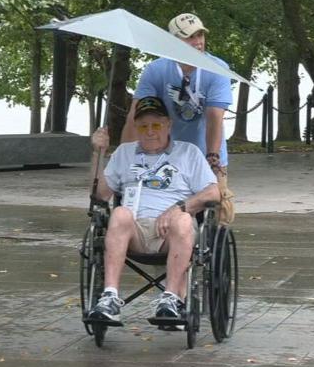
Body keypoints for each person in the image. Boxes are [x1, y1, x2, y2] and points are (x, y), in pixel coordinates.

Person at [88, 96, 220, 325]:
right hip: (134, 231)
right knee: (118, 213)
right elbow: (100, 196)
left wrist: (178, 209)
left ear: (169, 124)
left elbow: (213, 194)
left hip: (172, 232)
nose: (150, 131)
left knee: (183, 220)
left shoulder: (188, 153)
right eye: (143, 126)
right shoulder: (124, 153)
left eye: (156, 125)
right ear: (136, 128)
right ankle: (109, 297)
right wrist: (98, 153)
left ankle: (170, 298)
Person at [121, 13, 235, 224]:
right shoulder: (156, 70)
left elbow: (214, 117)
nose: (198, 42)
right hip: (165, 155)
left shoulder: (218, 70)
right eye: (190, 37)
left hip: (205, 153)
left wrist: (213, 158)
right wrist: (125, 155)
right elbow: (135, 115)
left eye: (200, 35)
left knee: (217, 213)